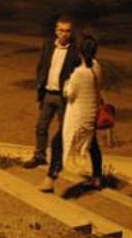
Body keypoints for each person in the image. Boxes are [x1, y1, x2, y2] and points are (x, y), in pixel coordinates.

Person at [40, 34, 104, 192]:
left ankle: (50, 179)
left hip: (77, 116)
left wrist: (68, 83)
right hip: (91, 114)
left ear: (80, 52)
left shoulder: (79, 74)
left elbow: (69, 93)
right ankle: (97, 177)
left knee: (57, 143)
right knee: (91, 144)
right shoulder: (96, 67)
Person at [23, 15, 81, 170]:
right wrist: (39, 85)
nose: (64, 34)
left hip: (64, 97)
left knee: (63, 130)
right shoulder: (48, 45)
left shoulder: (75, 51)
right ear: (56, 31)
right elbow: (41, 66)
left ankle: (59, 160)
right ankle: (39, 156)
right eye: (61, 30)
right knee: (41, 127)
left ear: (71, 33)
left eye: (67, 31)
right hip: (48, 94)